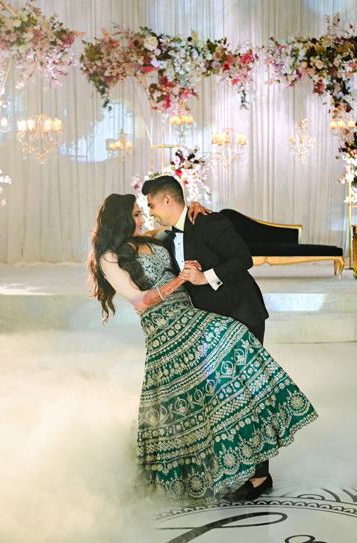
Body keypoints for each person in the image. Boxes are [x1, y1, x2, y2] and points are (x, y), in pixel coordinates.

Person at [88, 193, 317, 505]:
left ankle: (253, 468)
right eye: (137, 215)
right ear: (122, 220)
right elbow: (139, 300)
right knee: (178, 406)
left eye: (144, 213)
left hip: (191, 317)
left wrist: (195, 205)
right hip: (164, 330)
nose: (144, 219)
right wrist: (178, 281)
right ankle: (190, 476)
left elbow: (182, 225)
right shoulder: (109, 257)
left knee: (231, 360)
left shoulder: (154, 239)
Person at [141, 175, 274, 499]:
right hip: (211, 327)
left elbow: (244, 259)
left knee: (245, 396)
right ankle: (238, 466)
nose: (151, 212)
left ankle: (260, 477)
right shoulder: (167, 234)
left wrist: (206, 277)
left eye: (152, 205)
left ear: (168, 201)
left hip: (241, 316)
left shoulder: (210, 222)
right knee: (225, 400)